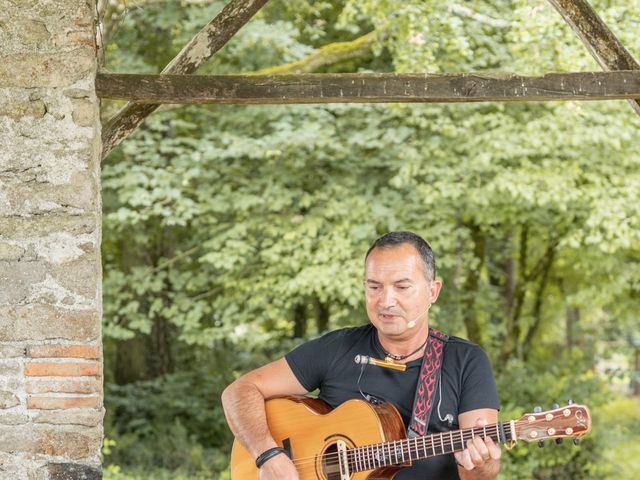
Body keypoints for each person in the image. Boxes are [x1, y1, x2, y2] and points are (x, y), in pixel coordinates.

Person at [222, 231, 501, 479]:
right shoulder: (337, 348)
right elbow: (239, 391)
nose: (386, 301)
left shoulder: (466, 361)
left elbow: (481, 474)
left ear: (432, 291)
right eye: (374, 286)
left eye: (402, 287)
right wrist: (268, 455)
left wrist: (478, 464)